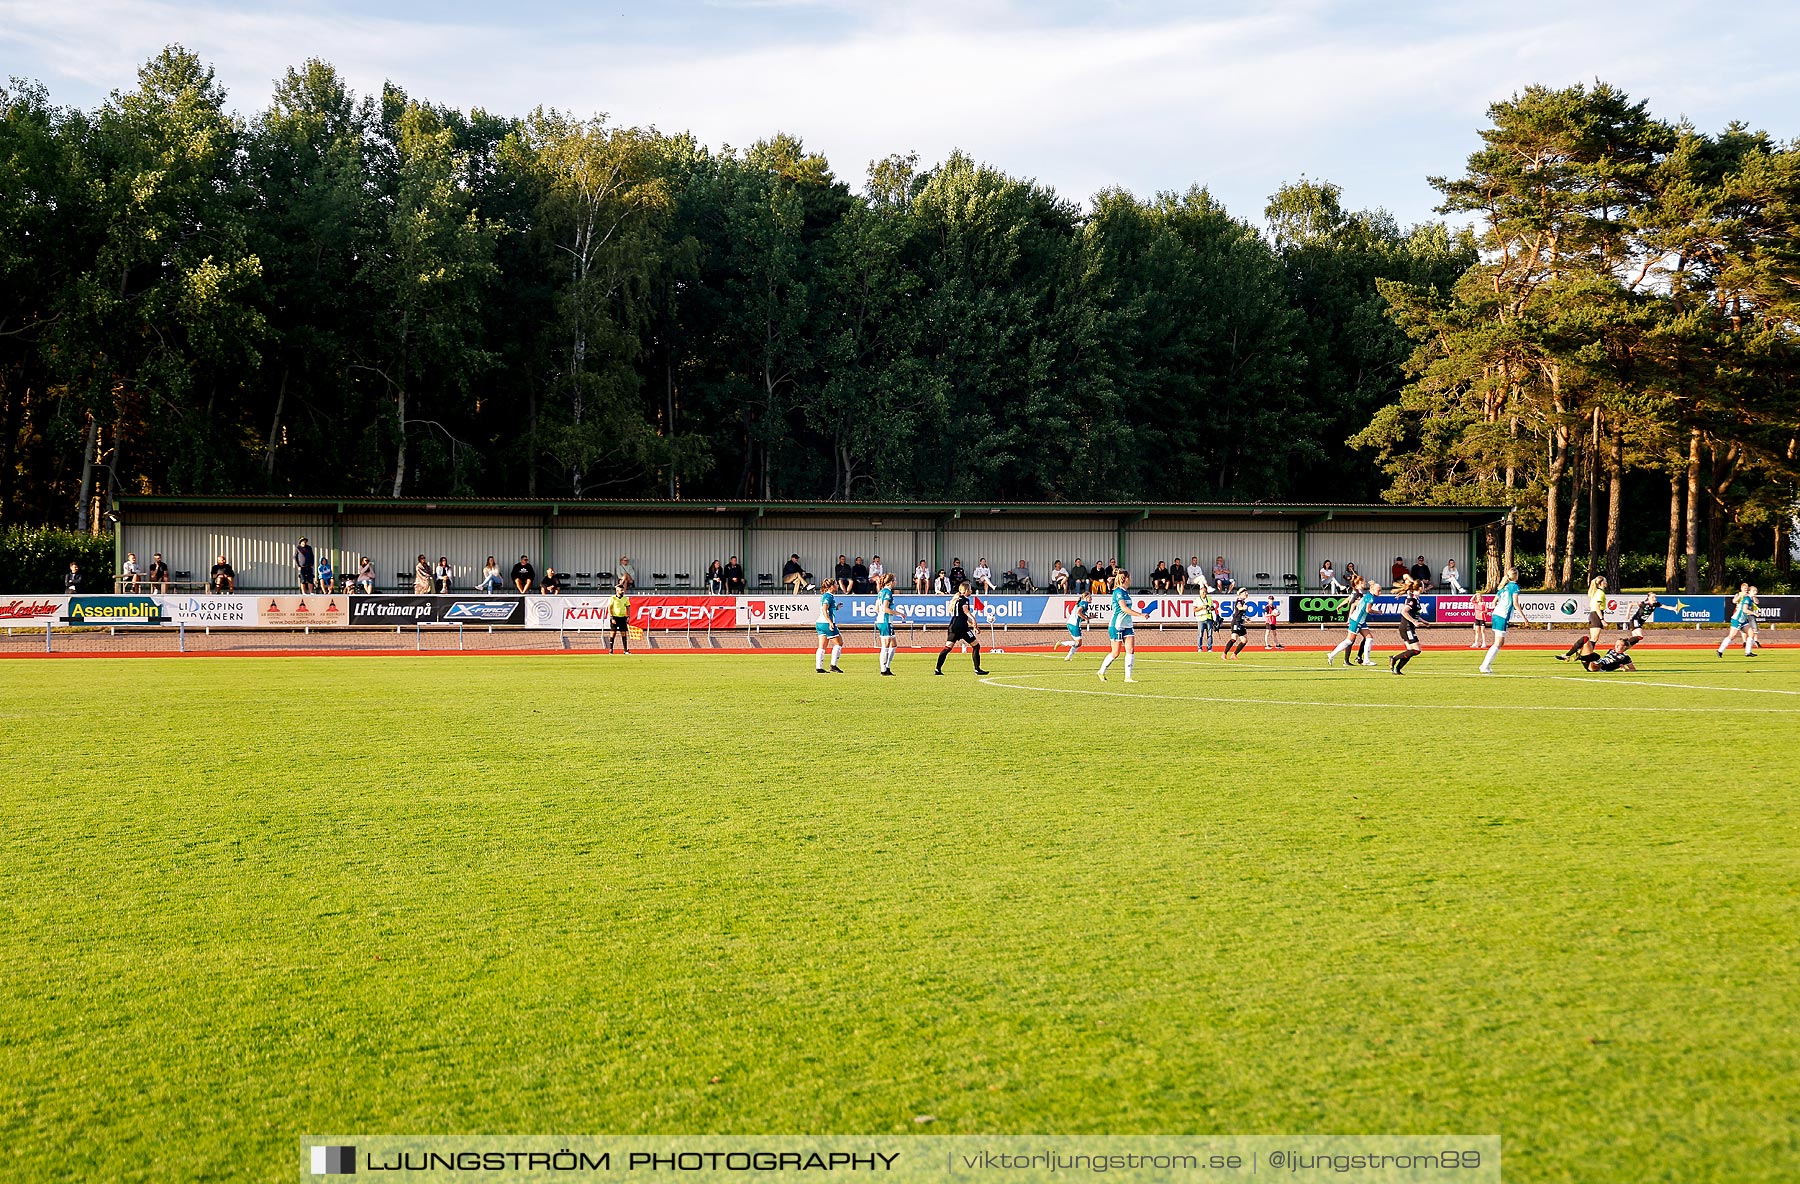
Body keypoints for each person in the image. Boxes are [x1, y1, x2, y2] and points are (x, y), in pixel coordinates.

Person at [1097, 570, 1146, 682]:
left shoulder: (1125, 592)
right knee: (1116, 653)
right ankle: (1101, 671)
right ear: (1125, 579)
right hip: (1117, 625)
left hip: (1127, 624)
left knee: (1130, 649)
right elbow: (1123, 608)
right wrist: (1140, 615)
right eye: (1130, 577)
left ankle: (1128, 677)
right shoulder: (1118, 592)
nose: (1131, 579)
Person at [1477, 568, 1528, 674]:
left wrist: (1498, 608)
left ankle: (1485, 665)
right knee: (1499, 642)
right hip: (1502, 616)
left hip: (1496, 614)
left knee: (1499, 642)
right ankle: (1484, 666)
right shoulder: (1515, 587)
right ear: (1516, 576)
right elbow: (1515, 603)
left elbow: (1493, 602)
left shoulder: (1503, 587)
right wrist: (1524, 618)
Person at [934, 582, 989, 676]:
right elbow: (965, 611)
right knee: (976, 646)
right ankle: (977, 669)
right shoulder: (965, 600)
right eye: (970, 589)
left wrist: (973, 625)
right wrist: (974, 619)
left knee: (947, 648)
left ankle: (937, 669)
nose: (971, 591)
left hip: (953, 626)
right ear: (967, 590)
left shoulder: (957, 600)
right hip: (962, 627)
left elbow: (961, 616)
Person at [1327, 580, 1378, 667]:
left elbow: (1356, 604)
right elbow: (1353, 604)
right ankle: (1333, 655)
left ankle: (1365, 660)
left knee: (1369, 638)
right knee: (1349, 641)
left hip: (1361, 620)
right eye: (1362, 583)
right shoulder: (1358, 594)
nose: (1363, 584)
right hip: (1357, 620)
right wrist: (1349, 617)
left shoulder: (1363, 594)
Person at [1559, 575, 1608, 662]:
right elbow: (1597, 607)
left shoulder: (1596, 592)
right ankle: (1585, 655)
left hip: (1593, 615)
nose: (1606, 583)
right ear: (1601, 583)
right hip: (1596, 615)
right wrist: (1601, 619)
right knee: (1594, 639)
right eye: (1605, 581)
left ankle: (1574, 653)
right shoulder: (1600, 593)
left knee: (1593, 638)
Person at [874, 572, 910, 676]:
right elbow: (885, 609)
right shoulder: (888, 592)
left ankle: (887, 668)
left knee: (893, 644)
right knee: (885, 646)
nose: (896, 582)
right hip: (885, 621)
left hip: (882, 620)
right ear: (890, 582)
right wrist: (899, 614)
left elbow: (876, 608)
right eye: (894, 580)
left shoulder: (881, 592)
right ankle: (883, 670)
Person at [1389, 578, 1426, 675]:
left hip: (1407, 627)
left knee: (1410, 651)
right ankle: (1394, 658)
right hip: (1407, 627)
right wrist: (1414, 621)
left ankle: (1397, 670)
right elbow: (1404, 611)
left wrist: (1423, 621)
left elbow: (1413, 613)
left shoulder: (1415, 598)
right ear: (1420, 588)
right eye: (1423, 586)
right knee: (1417, 650)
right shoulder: (1412, 599)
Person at [1717, 583, 1760, 658]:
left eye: (1756, 591)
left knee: (1751, 634)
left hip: (1743, 620)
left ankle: (1748, 652)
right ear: (1749, 592)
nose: (1755, 592)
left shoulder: (1749, 599)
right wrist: (1754, 613)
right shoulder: (1746, 599)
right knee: (1732, 636)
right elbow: (1744, 610)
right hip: (1737, 619)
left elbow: (1756, 602)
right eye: (1754, 591)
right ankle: (1720, 650)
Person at [814, 578, 845, 674]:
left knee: (822, 646)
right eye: (836, 584)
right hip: (826, 623)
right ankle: (833, 665)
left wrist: (836, 608)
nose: (837, 586)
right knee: (839, 643)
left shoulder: (827, 596)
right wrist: (830, 622)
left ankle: (819, 667)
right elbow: (824, 609)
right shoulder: (828, 596)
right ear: (831, 586)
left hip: (820, 623)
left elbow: (827, 608)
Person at [1061, 589, 1092, 661]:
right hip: (1075, 625)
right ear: (1086, 597)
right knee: (1078, 643)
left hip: (1070, 624)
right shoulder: (1084, 603)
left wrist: (1088, 617)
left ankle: (1068, 657)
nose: (1091, 599)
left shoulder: (1079, 603)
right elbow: (1078, 612)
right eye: (1090, 597)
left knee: (1078, 643)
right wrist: (1086, 619)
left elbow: (1079, 615)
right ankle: (1062, 643)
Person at [1221, 588, 1251, 660]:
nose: (1246, 594)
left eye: (1247, 593)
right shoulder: (1239, 601)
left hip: (1241, 622)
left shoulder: (1243, 601)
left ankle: (1234, 655)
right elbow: (1239, 607)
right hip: (1236, 622)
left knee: (1244, 640)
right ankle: (1224, 653)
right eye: (1245, 593)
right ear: (1240, 594)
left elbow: (1239, 612)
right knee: (1234, 638)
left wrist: (1246, 618)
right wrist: (1243, 607)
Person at [606, 582, 631, 653]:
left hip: (622, 618)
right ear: (617, 591)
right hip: (615, 617)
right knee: (613, 633)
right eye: (621, 590)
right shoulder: (612, 598)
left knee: (623, 633)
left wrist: (628, 616)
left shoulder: (625, 599)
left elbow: (628, 607)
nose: (623, 591)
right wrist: (611, 617)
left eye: (623, 590)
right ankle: (611, 649)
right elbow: (609, 608)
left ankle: (625, 650)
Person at [1196, 588, 1219, 653]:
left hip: (1209, 619)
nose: (1204, 594)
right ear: (1200, 593)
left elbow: (1213, 608)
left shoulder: (1209, 598)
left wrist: (1209, 608)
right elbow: (1195, 609)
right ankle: (1199, 648)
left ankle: (1209, 648)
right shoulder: (1197, 600)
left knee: (1210, 634)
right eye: (1203, 592)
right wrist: (1202, 607)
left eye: (1205, 592)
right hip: (1201, 619)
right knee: (1200, 634)